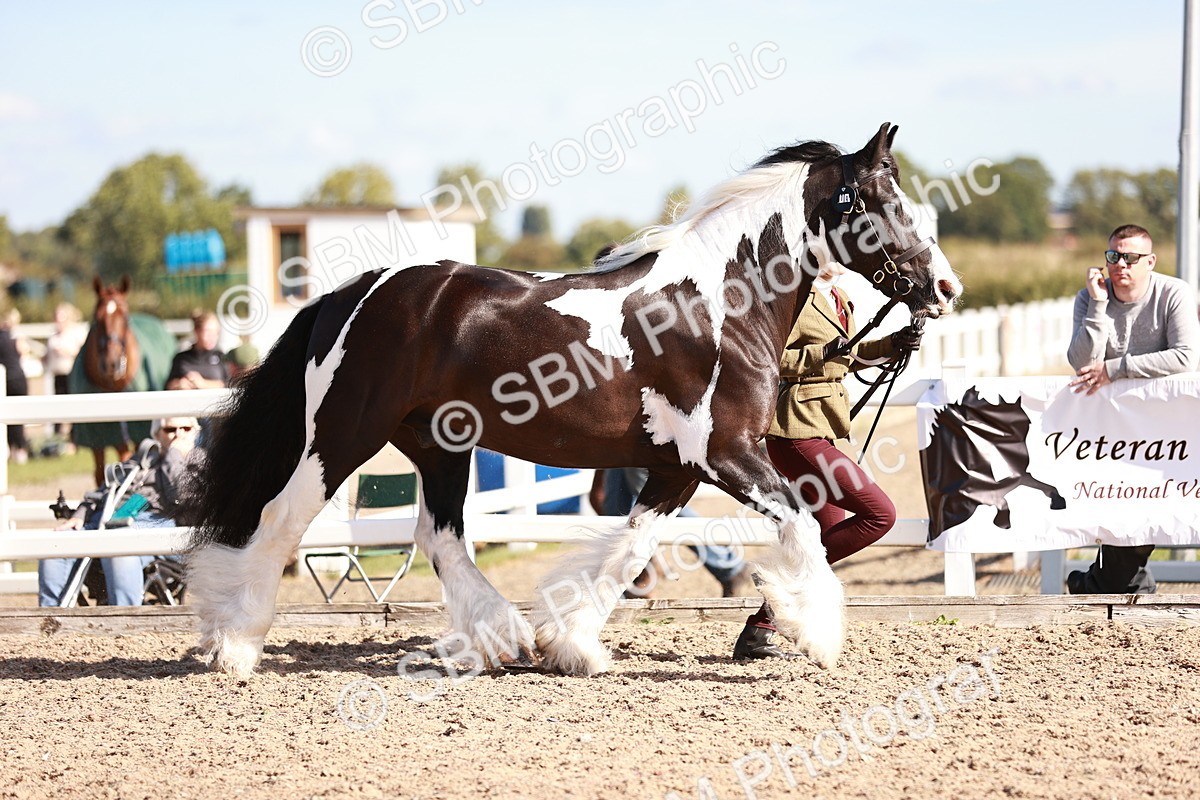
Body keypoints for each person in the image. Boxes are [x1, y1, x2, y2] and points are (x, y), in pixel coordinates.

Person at [733, 261, 923, 659]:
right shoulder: (793, 297)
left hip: (824, 427)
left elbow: (848, 356)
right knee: (879, 514)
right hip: (796, 430)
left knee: (827, 532)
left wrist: (893, 343)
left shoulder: (840, 297)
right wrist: (823, 353)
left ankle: (759, 630)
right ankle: (780, 583)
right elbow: (770, 360)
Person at [1065, 223, 1200, 594]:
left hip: (1171, 428)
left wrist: (1115, 369)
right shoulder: (1089, 298)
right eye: (1113, 256)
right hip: (1114, 430)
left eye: (1130, 257)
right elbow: (1080, 361)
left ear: (1150, 261)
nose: (1120, 264)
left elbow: (1186, 357)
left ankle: (1092, 583)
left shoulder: (1173, 293)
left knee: (1146, 509)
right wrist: (1097, 304)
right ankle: (1113, 583)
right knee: (1124, 510)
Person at [37, 416, 199, 607]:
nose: (178, 435)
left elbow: (180, 496)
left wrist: (174, 455)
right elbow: (103, 492)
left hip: (159, 522)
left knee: (120, 544)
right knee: (58, 543)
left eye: (186, 428)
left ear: (196, 432)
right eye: (170, 429)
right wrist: (79, 515)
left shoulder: (200, 461)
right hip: (109, 519)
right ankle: (50, 620)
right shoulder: (141, 459)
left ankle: (124, 624)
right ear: (156, 434)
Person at [589, 467, 751, 598]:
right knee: (616, 505)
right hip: (618, 441)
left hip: (637, 434)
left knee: (656, 504)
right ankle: (631, 579)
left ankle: (728, 565)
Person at [44, 302, 87, 440]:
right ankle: (57, 437)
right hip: (57, 374)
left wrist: (66, 352)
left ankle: (74, 437)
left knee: (72, 406)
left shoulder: (74, 334)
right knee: (56, 406)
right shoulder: (53, 336)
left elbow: (81, 354)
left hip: (71, 374)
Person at [166, 310, 229, 390]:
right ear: (197, 331)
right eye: (208, 331)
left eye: (216, 332)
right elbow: (168, 386)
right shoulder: (181, 358)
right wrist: (180, 384)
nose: (212, 337)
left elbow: (230, 384)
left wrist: (203, 384)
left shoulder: (221, 357)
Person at [0, 308, 30, 463]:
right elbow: (24, 352)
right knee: (19, 417)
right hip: (17, 379)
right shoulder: (17, 337)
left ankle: (14, 449)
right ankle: (20, 449)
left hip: (5, 381)